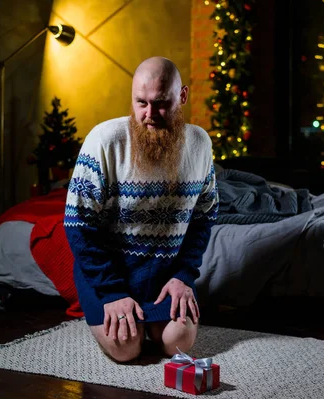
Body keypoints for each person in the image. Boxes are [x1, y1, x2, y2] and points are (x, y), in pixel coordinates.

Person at [64, 56, 218, 363]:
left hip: (165, 276)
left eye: (161, 103)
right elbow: (78, 225)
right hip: (110, 272)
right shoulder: (104, 140)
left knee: (177, 344)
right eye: (141, 103)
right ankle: (109, 311)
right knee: (126, 348)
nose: (150, 114)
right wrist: (112, 293)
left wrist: (184, 276)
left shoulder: (200, 143)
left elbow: (203, 219)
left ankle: (153, 318)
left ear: (182, 96)